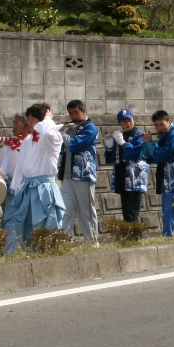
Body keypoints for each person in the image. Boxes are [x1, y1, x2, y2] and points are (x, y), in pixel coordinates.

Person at [5, 103, 67, 253]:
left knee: (45, 224)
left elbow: (47, 132)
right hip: (27, 187)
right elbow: (21, 165)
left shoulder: (51, 138)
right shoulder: (27, 140)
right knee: (24, 225)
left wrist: (46, 118)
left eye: (32, 120)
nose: (29, 123)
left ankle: (45, 255)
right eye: (29, 119)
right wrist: (16, 188)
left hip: (44, 187)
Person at [57, 100, 99, 244]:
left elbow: (76, 145)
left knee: (86, 211)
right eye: (70, 113)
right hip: (67, 176)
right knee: (66, 211)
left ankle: (92, 242)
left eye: (76, 112)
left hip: (83, 175)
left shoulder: (90, 128)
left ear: (83, 111)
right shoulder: (69, 129)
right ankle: (63, 242)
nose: (73, 116)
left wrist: (62, 134)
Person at [143, 110, 174, 237]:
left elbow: (162, 156)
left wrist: (149, 143)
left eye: (162, 124)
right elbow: (152, 157)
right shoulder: (165, 137)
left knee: (169, 211)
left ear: (169, 122)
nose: (159, 128)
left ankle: (168, 236)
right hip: (167, 181)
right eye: (156, 125)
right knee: (168, 209)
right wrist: (147, 144)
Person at [104, 109, 149, 223]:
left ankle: (134, 237)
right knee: (125, 210)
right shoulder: (119, 135)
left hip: (135, 178)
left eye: (129, 120)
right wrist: (110, 146)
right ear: (120, 123)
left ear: (134, 120)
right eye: (124, 121)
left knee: (131, 211)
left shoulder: (139, 135)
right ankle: (129, 235)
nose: (127, 123)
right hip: (122, 175)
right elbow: (110, 159)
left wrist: (123, 143)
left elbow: (135, 154)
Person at [0, 113, 28, 229]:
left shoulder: (31, 144)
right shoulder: (12, 145)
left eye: (16, 124)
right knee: (9, 220)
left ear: (27, 126)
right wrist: (5, 147)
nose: (13, 127)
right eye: (13, 123)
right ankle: (12, 246)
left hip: (25, 187)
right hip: (10, 188)